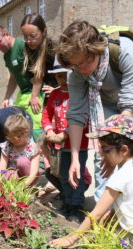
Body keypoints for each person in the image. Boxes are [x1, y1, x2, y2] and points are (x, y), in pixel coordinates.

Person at [56, 20, 133, 202]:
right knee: (101, 159)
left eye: (83, 63)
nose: (80, 70)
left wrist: (116, 149)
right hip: (104, 104)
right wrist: (74, 159)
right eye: (75, 65)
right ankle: (103, 218)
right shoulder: (77, 71)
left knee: (130, 158)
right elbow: (76, 114)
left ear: (95, 50)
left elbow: (128, 107)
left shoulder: (125, 51)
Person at [50, 114, 133, 248]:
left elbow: (96, 214)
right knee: (109, 219)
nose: (102, 154)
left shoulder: (121, 177)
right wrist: (111, 214)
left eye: (105, 149)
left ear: (124, 150)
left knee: (104, 242)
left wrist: (70, 239)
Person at [0, 14, 55, 142]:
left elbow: (38, 73)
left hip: (38, 92)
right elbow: (13, 77)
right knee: (20, 126)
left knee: (37, 128)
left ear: (7, 34)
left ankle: (41, 158)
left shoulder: (23, 46)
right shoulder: (7, 56)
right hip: (25, 94)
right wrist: (6, 97)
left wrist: (35, 95)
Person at [41, 59, 91, 221]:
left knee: (76, 174)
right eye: (58, 77)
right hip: (59, 144)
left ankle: (77, 206)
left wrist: (66, 134)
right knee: (63, 174)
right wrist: (49, 130)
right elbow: (46, 115)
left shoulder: (80, 93)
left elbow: (85, 118)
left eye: (65, 76)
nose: (62, 80)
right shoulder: (55, 94)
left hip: (79, 145)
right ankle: (67, 202)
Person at [0, 114, 40, 186]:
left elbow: (34, 172)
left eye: (14, 138)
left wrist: (24, 184)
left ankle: (28, 189)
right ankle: (13, 189)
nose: (12, 141)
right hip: (13, 176)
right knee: (9, 172)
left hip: (29, 177)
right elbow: (2, 168)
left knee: (22, 161)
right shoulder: (7, 146)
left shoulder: (33, 148)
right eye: (9, 138)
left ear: (25, 132)